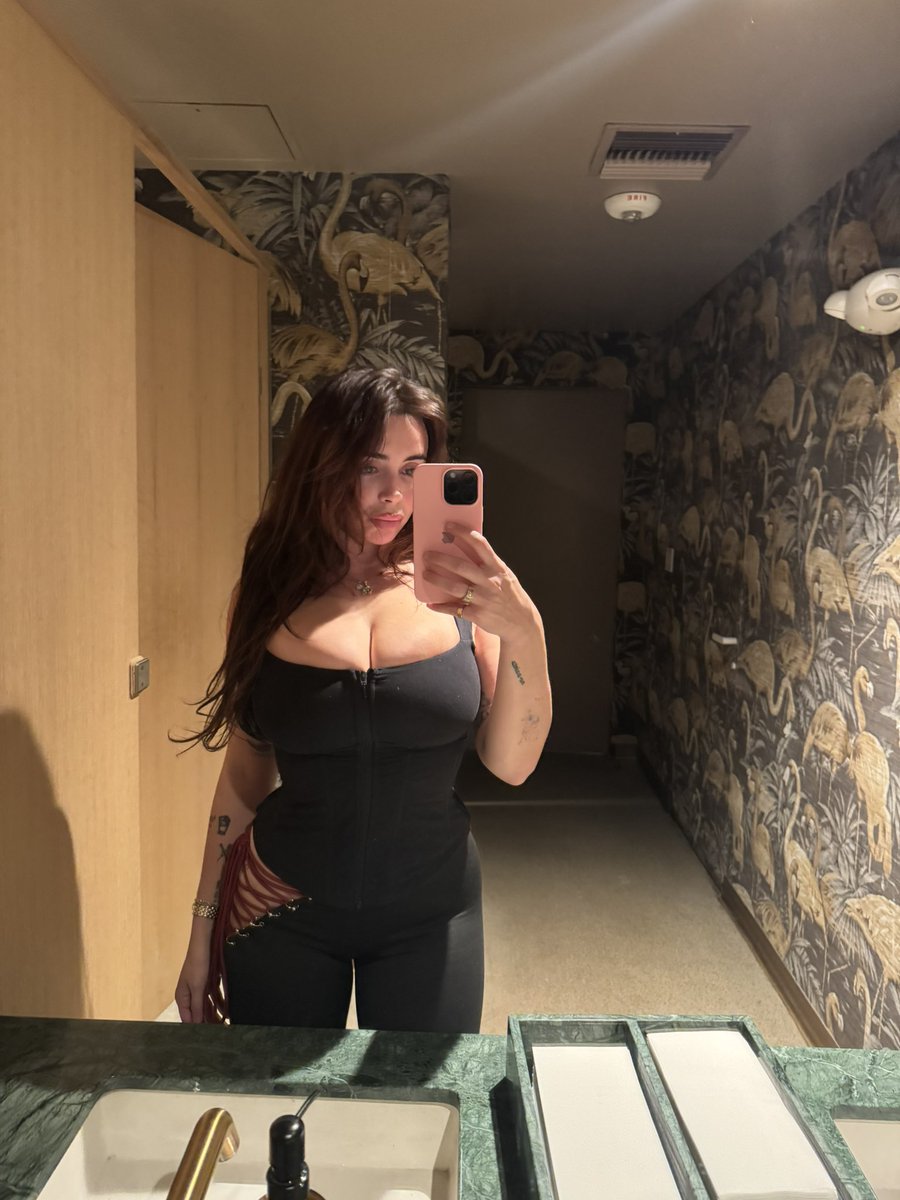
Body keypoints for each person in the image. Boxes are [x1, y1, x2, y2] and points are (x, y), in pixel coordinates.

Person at [174, 366, 552, 1032]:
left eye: (412, 469)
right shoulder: (265, 596)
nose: (392, 495)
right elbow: (243, 777)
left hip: (432, 909)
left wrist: (527, 632)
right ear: (322, 464)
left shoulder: (462, 593)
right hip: (280, 901)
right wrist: (202, 926)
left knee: (422, 1094)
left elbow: (513, 765)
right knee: (282, 1092)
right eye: (368, 466)